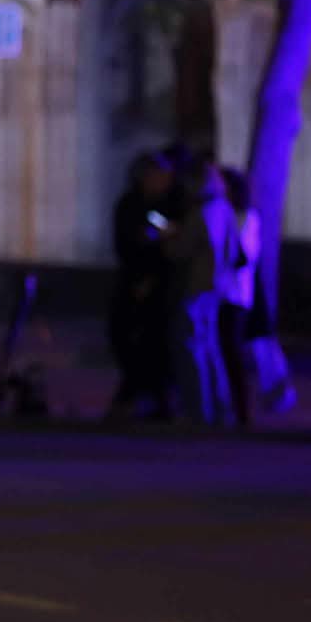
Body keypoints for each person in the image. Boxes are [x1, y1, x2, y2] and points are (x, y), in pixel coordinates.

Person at [162, 156, 242, 425]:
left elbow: (179, 251)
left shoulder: (202, 212)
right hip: (217, 287)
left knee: (192, 350)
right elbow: (235, 252)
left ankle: (199, 411)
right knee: (211, 349)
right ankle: (220, 410)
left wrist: (168, 237)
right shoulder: (224, 209)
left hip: (196, 287)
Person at [107, 151, 178, 420]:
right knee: (121, 335)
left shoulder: (171, 204)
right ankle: (136, 393)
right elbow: (125, 244)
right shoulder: (130, 205)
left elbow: (172, 247)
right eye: (159, 176)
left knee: (154, 343)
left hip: (160, 284)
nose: (164, 182)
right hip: (131, 279)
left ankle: (152, 399)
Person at [215, 167, 262, 427]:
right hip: (220, 292)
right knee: (221, 351)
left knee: (232, 352)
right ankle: (224, 406)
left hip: (234, 295)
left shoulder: (247, 219)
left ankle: (242, 410)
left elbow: (243, 257)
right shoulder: (226, 215)